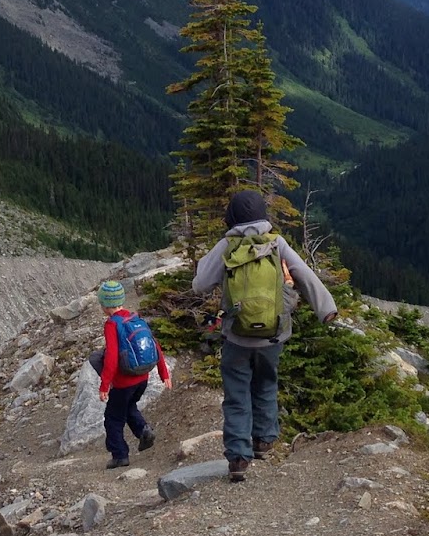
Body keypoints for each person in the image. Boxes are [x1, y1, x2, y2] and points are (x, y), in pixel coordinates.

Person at [192, 190, 337, 482]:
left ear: (231, 216)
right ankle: (264, 441)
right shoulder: (277, 243)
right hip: (273, 335)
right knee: (266, 384)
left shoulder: (227, 245)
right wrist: (327, 309)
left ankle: (238, 458)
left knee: (236, 396)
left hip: (236, 336)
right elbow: (306, 277)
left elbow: (200, 285)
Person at [89, 279, 171, 469]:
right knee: (128, 406)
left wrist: (104, 385)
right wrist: (163, 373)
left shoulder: (112, 324)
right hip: (142, 378)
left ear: (105, 305)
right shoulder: (135, 318)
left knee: (113, 417)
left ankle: (120, 455)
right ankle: (143, 431)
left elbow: (111, 358)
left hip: (123, 382)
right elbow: (155, 346)